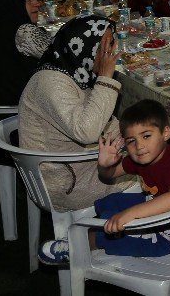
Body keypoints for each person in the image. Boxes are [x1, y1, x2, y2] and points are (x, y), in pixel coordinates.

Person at [40, 99, 170, 264]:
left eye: (146, 136)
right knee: (112, 202)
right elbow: (109, 175)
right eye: (131, 141)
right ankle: (98, 225)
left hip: (169, 233)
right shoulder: (142, 158)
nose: (139, 146)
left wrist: (129, 214)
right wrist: (104, 165)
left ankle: (78, 246)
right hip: (154, 204)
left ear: (165, 133)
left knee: (111, 235)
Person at [19, 17, 134, 214]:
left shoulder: (76, 73)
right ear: (85, 46)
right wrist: (106, 79)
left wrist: (131, 138)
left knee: (151, 148)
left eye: (112, 43)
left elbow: (100, 120)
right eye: (105, 46)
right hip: (66, 182)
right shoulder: (51, 83)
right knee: (153, 167)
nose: (111, 53)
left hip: (76, 163)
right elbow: (87, 131)